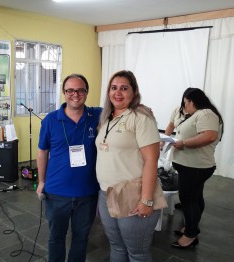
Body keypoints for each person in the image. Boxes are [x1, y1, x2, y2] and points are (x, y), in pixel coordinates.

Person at [96, 70, 161, 261]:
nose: (118, 92)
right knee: (116, 247)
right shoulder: (107, 117)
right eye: (114, 88)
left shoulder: (141, 117)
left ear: (133, 92)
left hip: (132, 194)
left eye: (124, 88)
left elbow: (151, 160)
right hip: (106, 192)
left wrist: (147, 200)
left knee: (137, 253)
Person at [36, 73, 101, 262]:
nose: (75, 94)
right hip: (56, 192)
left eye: (80, 90)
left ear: (87, 92)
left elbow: (121, 107)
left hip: (87, 193)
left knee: (81, 239)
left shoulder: (97, 115)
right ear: (64, 93)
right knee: (56, 238)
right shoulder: (50, 120)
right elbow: (42, 152)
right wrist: (41, 181)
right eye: (70, 90)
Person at [170, 87, 224, 249]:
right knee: (194, 197)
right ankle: (191, 227)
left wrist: (184, 143)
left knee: (189, 200)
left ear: (191, 101)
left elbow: (209, 136)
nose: (184, 106)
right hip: (191, 166)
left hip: (196, 167)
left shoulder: (206, 114)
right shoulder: (198, 114)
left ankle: (190, 235)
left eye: (185, 103)